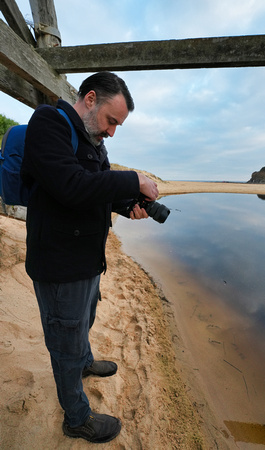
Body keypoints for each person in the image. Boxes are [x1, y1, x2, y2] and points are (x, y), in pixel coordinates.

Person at [21, 72, 159, 444]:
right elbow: (70, 186)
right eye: (111, 121)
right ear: (90, 99)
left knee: (83, 321)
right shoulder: (48, 123)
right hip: (58, 265)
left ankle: (85, 363)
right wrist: (131, 179)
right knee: (64, 342)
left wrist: (127, 204)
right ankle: (77, 419)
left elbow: (95, 191)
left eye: (118, 126)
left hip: (86, 262)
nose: (112, 131)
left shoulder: (95, 142)